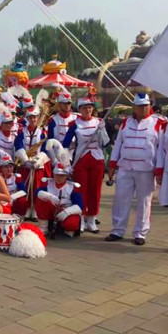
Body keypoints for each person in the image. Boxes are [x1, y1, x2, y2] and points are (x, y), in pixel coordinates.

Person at [106, 94, 165, 245]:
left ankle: (140, 233)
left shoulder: (158, 123)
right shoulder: (126, 122)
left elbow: (161, 150)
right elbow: (118, 144)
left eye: (145, 105)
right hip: (125, 168)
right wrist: (112, 164)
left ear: (149, 106)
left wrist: (159, 170)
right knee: (121, 199)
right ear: (134, 107)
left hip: (146, 170)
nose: (143, 108)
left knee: (144, 202)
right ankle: (117, 230)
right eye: (139, 105)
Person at [62, 98, 110, 233]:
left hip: (97, 160)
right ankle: (81, 218)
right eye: (84, 108)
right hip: (81, 160)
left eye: (90, 107)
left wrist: (102, 130)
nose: (87, 110)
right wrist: (65, 162)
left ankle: (92, 219)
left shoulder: (99, 122)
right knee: (81, 190)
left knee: (95, 190)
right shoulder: (74, 124)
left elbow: (105, 143)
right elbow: (65, 144)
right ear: (79, 109)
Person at [36, 162, 83, 237]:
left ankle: (68, 230)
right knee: (41, 199)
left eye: (62, 176)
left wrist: (66, 212)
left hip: (66, 210)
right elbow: (37, 192)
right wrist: (50, 196)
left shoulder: (73, 187)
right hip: (52, 209)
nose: (59, 178)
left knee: (72, 222)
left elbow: (79, 206)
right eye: (57, 175)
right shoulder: (47, 183)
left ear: (66, 176)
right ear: (53, 174)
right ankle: (43, 228)